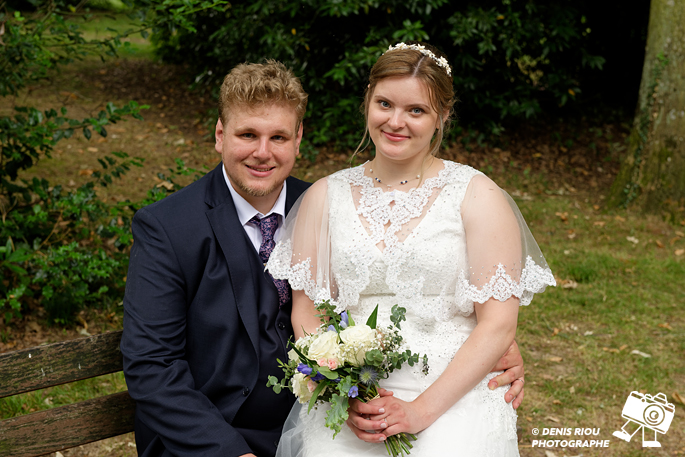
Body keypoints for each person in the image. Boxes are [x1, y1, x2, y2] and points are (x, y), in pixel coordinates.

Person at [121, 59, 527, 457]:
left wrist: (492, 342)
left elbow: (479, 310)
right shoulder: (169, 228)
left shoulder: (321, 201)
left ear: (299, 139)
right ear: (219, 135)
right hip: (216, 435)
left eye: (278, 137)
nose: (262, 153)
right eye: (247, 135)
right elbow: (151, 367)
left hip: (309, 418)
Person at [267, 42, 555, 456]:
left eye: (416, 110)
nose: (396, 121)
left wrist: (420, 411)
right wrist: (343, 391)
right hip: (355, 402)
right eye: (384, 103)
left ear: (442, 117)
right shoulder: (324, 197)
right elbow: (307, 313)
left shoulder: (478, 196)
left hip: (456, 396)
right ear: (367, 101)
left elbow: (497, 326)